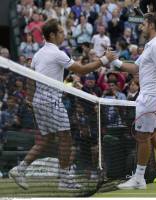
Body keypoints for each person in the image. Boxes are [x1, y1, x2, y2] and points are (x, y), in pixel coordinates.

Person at [9, 18, 116, 190]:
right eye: (60, 32)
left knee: (46, 139)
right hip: (52, 101)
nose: (63, 34)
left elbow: (31, 78)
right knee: (66, 139)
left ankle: (20, 169)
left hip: (39, 101)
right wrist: (105, 60)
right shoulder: (57, 53)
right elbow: (81, 70)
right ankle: (65, 180)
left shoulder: (38, 54)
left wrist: (30, 99)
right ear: (52, 35)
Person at [109, 13, 156, 190]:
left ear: (151, 25)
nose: (141, 26)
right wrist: (116, 63)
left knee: (144, 137)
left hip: (152, 97)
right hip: (151, 97)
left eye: (144, 23)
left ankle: (139, 179)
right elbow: (136, 67)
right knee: (152, 136)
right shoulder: (150, 46)